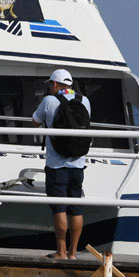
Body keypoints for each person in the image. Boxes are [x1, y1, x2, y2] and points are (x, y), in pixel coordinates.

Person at [32, 69, 92, 259]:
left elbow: (35, 121)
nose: (50, 88)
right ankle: (74, 253)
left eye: (50, 84)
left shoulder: (49, 101)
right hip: (78, 162)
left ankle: (61, 251)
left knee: (59, 208)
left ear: (55, 85)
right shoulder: (85, 101)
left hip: (56, 164)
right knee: (76, 208)